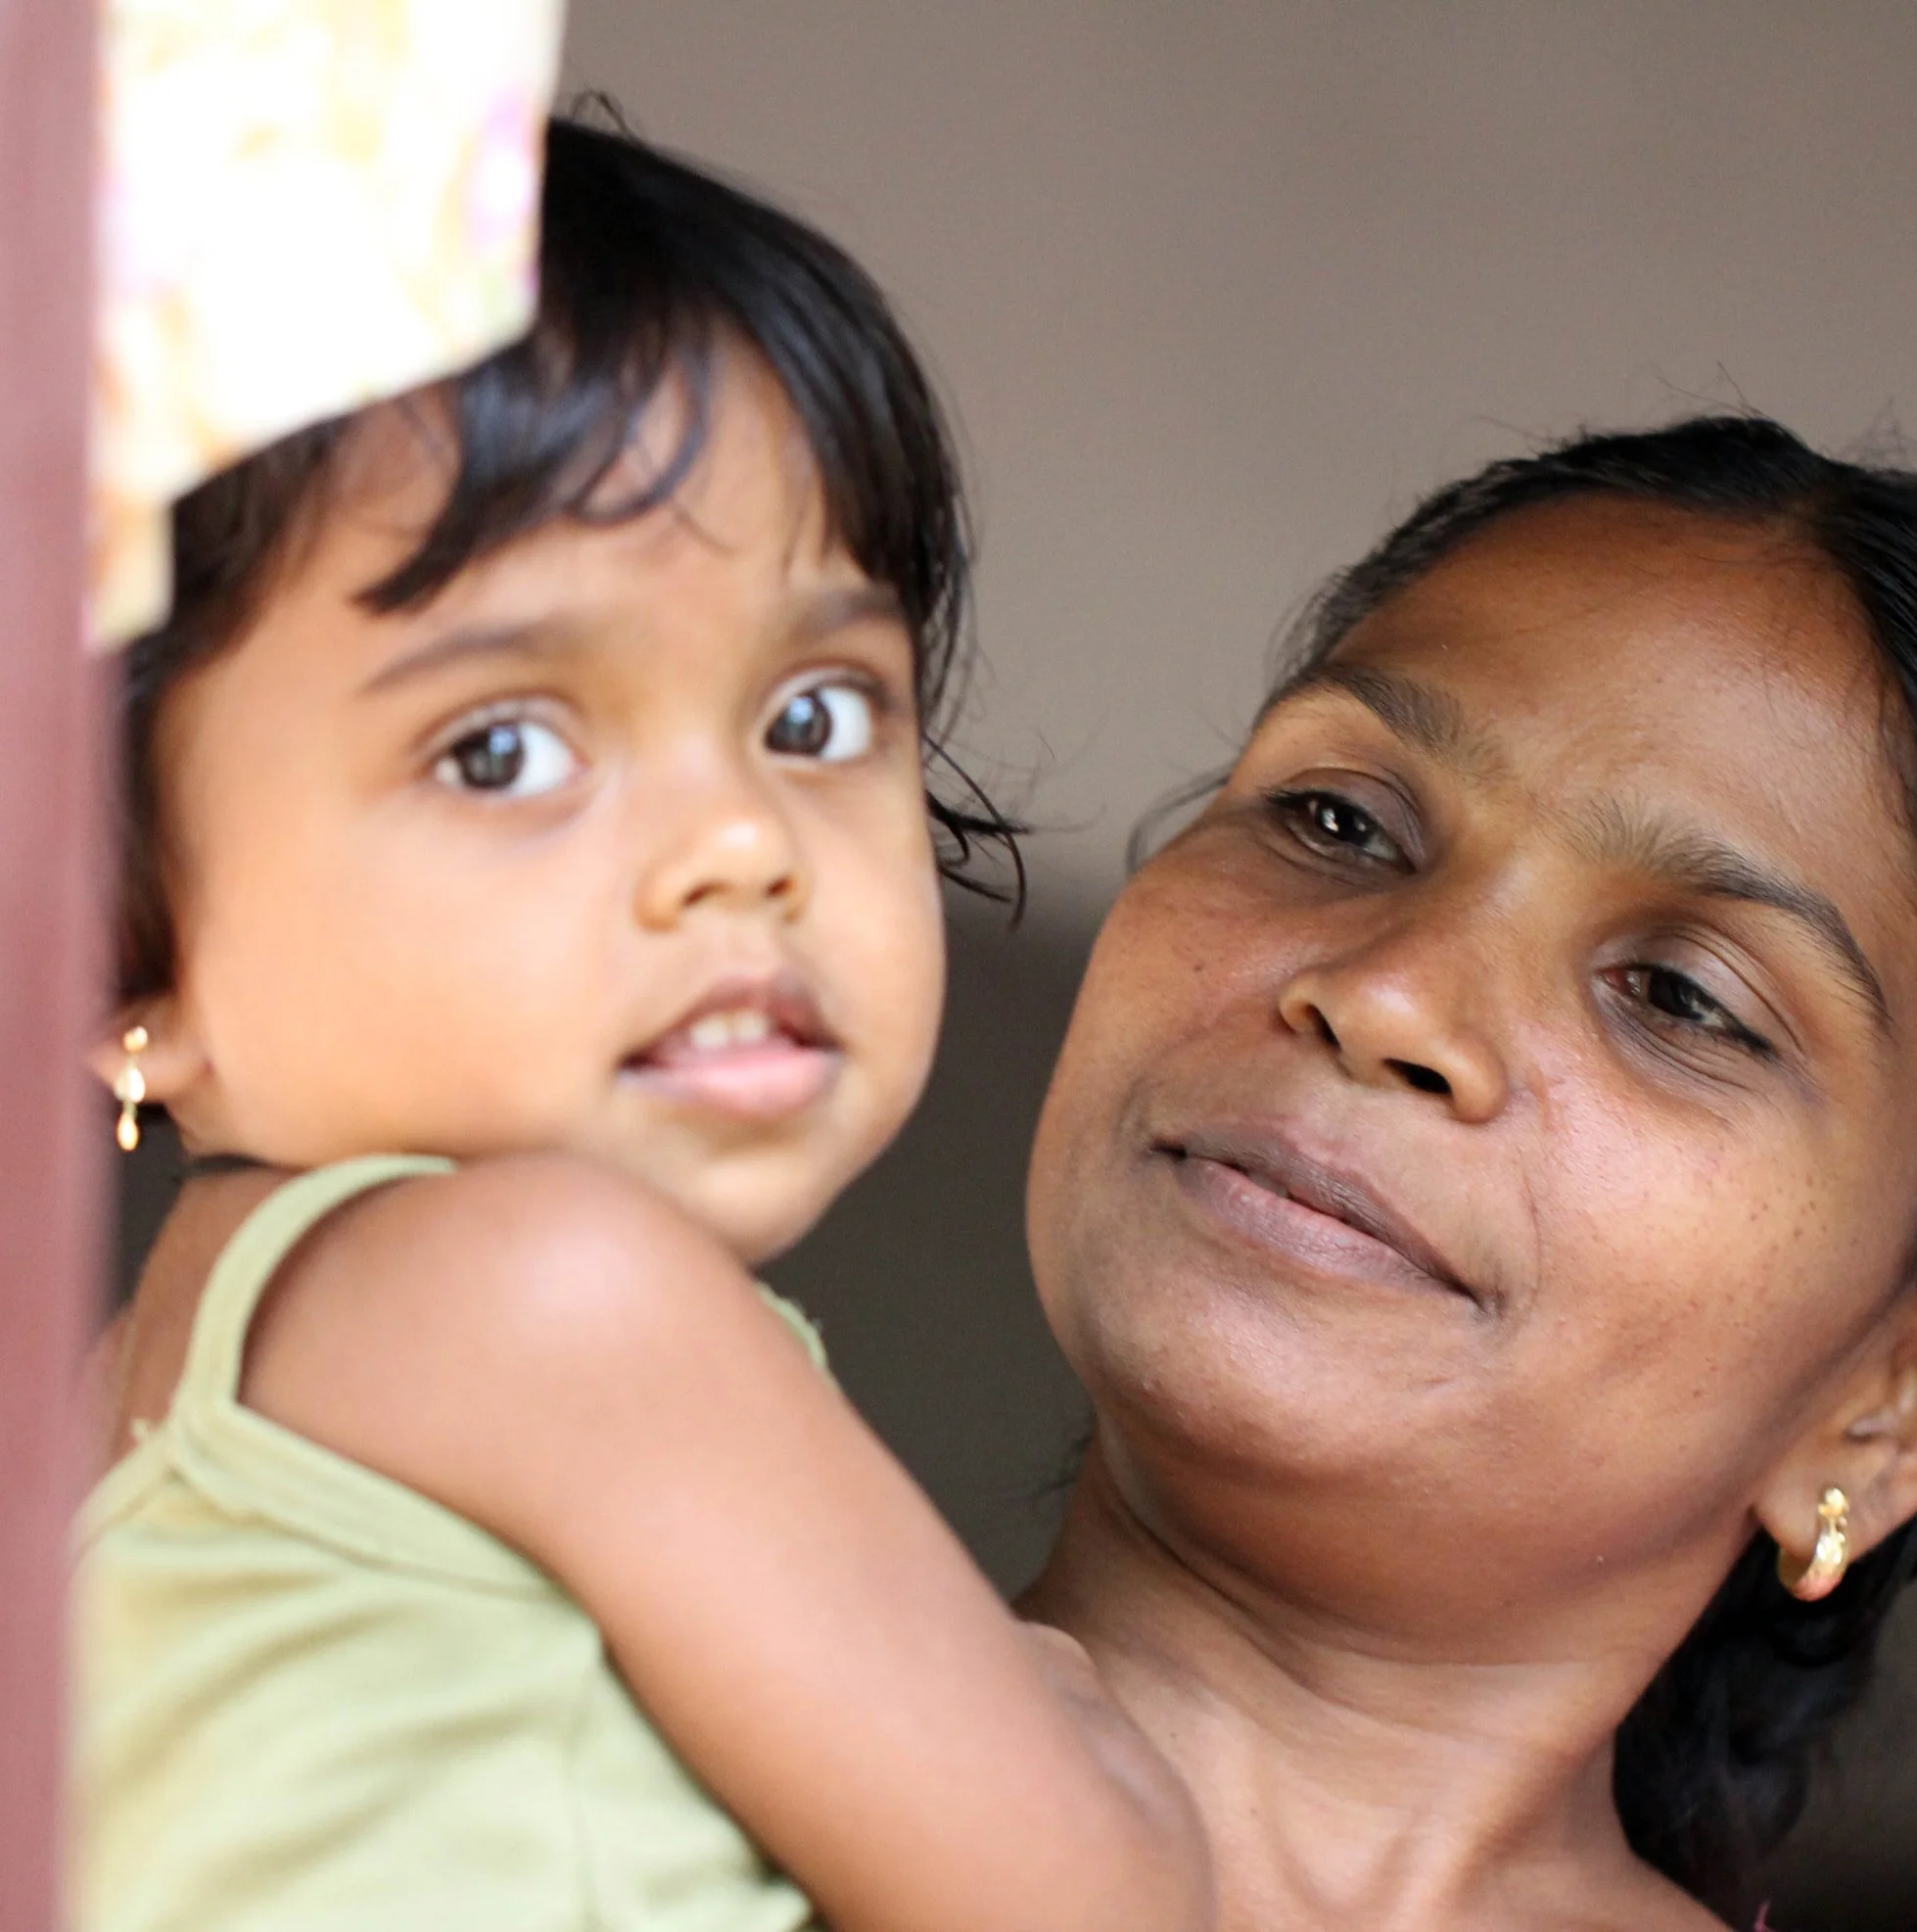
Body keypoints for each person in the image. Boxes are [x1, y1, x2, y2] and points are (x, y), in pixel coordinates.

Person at [75, 118, 1208, 1932]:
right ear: (115, 952)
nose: (743, 845)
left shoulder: (133, 1414)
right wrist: (1074, 1711)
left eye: (819, 716)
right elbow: (1086, 1903)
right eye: (506, 749)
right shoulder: (545, 1288)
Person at [1018, 417, 1917, 1929]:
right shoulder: (625, 1812)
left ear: (1896, 1408)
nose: (1390, 998)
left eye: (1683, 997)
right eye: (1337, 819)